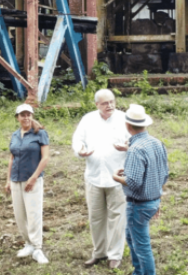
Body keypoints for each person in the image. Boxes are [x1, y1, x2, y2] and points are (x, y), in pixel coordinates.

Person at [71, 88, 128, 269]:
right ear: (97, 105)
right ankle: (99, 252)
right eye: (105, 103)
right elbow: (77, 139)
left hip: (118, 176)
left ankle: (115, 255)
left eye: (112, 101)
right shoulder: (88, 119)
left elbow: (136, 139)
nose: (109, 105)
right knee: (96, 217)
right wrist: (81, 150)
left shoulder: (124, 118)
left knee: (117, 217)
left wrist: (128, 146)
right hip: (94, 176)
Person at [112, 104, 169, 275]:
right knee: (131, 236)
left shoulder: (135, 150)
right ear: (145, 124)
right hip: (152, 200)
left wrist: (116, 177)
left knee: (142, 245)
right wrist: (157, 198)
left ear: (127, 126)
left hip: (139, 205)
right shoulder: (157, 143)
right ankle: (138, 271)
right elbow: (163, 174)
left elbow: (134, 182)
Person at [4, 103, 50, 264]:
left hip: (33, 180)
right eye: (22, 115)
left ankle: (37, 247)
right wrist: (8, 179)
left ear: (32, 116)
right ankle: (28, 243)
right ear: (17, 117)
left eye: (28, 114)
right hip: (16, 178)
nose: (26, 117)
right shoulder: (15, 135)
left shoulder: (40, 133)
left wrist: (34, 177)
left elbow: (45, 158)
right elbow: (12, 157)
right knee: (20, 214)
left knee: (34, 213)